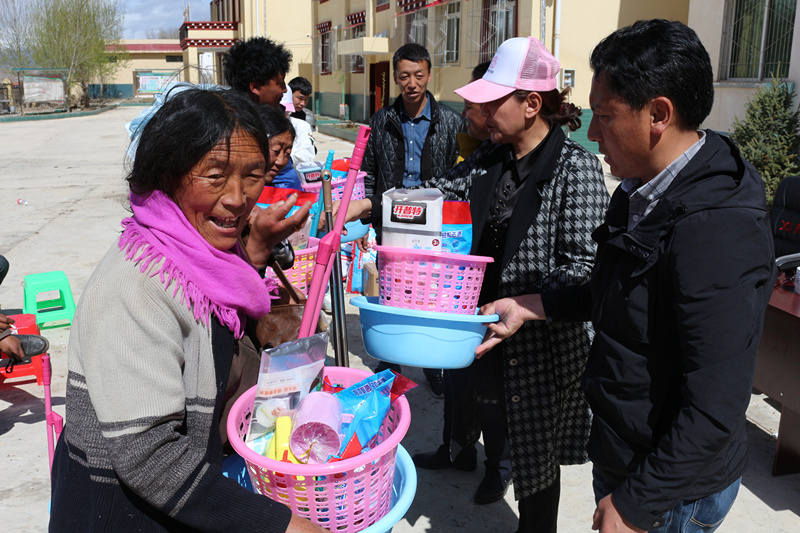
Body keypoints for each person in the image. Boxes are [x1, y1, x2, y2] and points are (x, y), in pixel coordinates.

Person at [476, 20, 776, 533]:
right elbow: (613, 289)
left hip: (669, 488)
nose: (592, 132)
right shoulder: (639, 191)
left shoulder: (718, 229)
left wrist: (638, 502)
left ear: (658, 114)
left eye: (607, 117)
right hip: (625, 451)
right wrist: (532, 305)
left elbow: (718, 403)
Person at [50, 88, 323, 533]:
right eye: (215, 175)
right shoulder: (137, 285)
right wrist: (280, 525)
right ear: (168, 175)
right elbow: (148, 455)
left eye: (253, 175)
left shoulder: (206, 256)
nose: (237, 198)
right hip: (121, 515)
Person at [426, 36, 609, 532]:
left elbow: (584, 270)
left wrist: (526, 302)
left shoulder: (576, 171)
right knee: (489, 420)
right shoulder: (490, 159)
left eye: (493, 100)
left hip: (541, 347)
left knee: (536, 469)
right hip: (488, 328)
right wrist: (386, 203)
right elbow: (441, 195)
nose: (483, 110)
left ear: (531, 104)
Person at [414, 60, 517, 507]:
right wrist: (395, 203)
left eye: (481, 106)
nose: (474, 116)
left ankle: (500, 467)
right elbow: (446, 186)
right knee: (458, 376)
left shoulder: (559, 163)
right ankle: (456, 450)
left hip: (512, 300)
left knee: (495, 394)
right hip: (465, 287)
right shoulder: (486, 152)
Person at [343, 43, 464, 240]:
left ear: (429, 75)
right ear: (395, 78)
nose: (412, 83)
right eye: (404, 76)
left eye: (419, 75)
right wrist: (365, 223)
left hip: (435, 223)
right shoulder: (380, 121)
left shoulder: (453, 122)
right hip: (389, 219)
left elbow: (460, 178)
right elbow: (369, 174)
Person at [223, 37, 308, 189]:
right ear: (255, 86)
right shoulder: (232, 131)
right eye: (280, 84)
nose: (283, 91)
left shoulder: (266, 120)